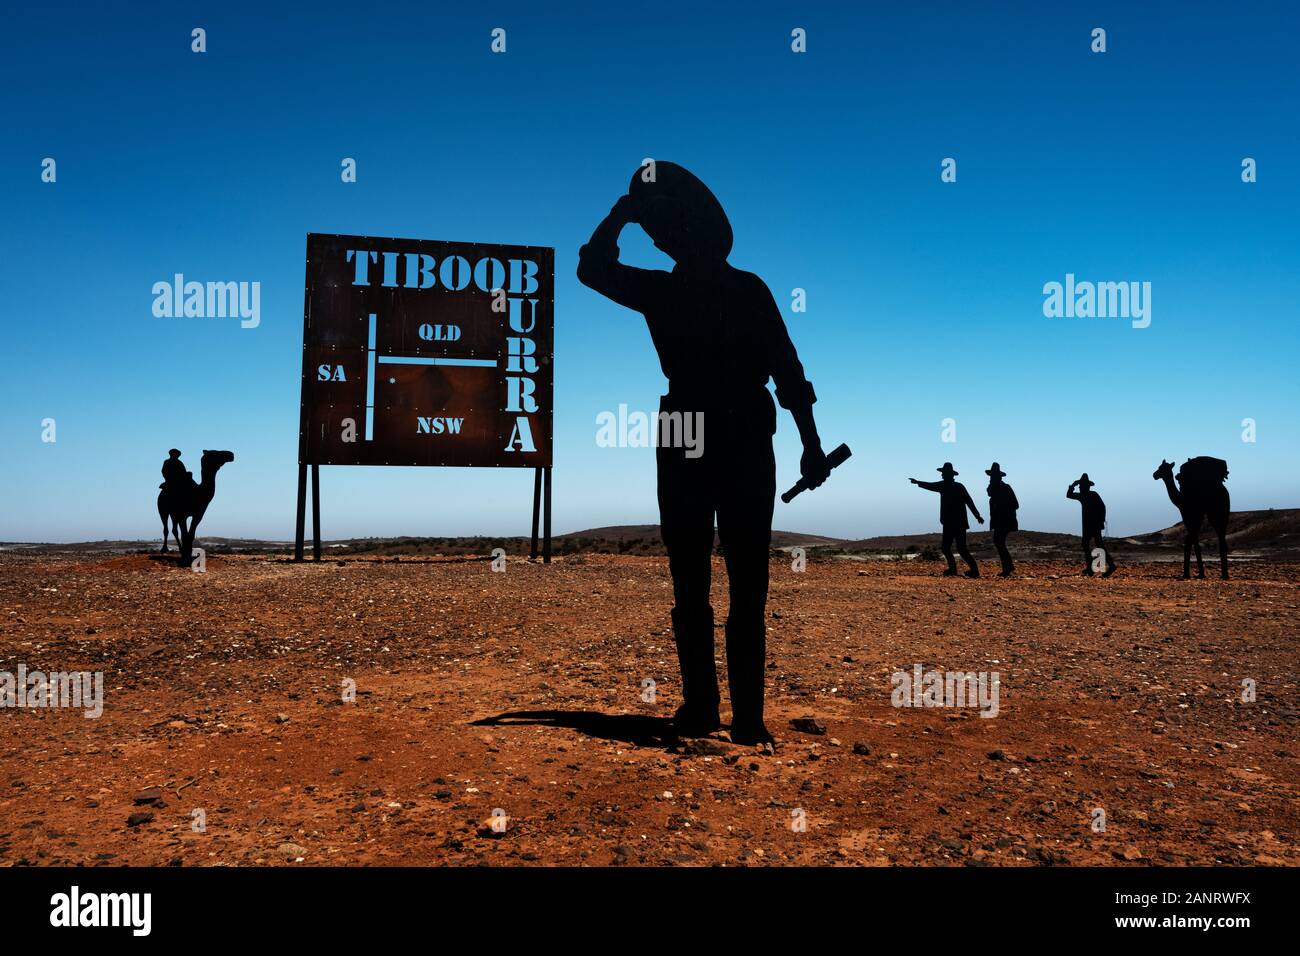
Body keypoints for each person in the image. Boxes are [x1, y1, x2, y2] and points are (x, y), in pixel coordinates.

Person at [577, 161, 830, 750]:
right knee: (739, 582)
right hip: (738, 431)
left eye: (667, 233)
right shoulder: (743, 289)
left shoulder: (666, 291)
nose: (666, 243)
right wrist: (810, 445)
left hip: (690, 429)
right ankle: (738, 718)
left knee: (699, 582)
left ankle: (711, 711)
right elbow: (790, 376)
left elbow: (592, 267)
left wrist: (622, 211)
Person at [910, 463, 983, 577]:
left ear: (948, 475)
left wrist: (917, 482)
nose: (942, 475)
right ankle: (965, 570)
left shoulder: (948, 486)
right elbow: (969, 502)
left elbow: (969, 501)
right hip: (957, 523)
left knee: (951, 548)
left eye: (944, 473)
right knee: (957, 548)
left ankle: (959, 570)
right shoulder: (956, 486)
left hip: (952, 523)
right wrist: (977, 516)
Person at [1067, 473, 1115, 576]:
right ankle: (1092, 568)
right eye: (1079, 486)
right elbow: (1069, 495)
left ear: (1086, 486)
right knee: (1090, 545)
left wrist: (1101, 520)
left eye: (1081, 486)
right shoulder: (1084, 496)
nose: (1080, 488)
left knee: (1096, 545)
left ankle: (1106, 566)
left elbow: (1102, 507)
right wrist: (1073, 485)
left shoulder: (1092, 495)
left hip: (1093, 525)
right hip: (1088, 526)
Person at [985, 462, 1019, 577]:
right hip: (1000, 520)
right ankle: (1008, 567)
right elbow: (989, 492)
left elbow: (1015, 504)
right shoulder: (995, 489)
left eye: (992, 476)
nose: (990, 478)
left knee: (999, 542)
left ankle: (1007, 568)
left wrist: (1002, 509)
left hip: (1004, 520)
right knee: (999, 542)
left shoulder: (1005, 488)